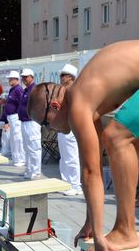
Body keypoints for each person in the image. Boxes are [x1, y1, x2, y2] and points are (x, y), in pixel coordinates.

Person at [27, 39, 139, 251]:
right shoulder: (86, 96)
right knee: (137, 142)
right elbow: (93, 167)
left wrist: (99, 237)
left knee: (117, 137)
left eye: (46, 123)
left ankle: (126, 230)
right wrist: (91, 223)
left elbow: (89, 173)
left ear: (55, 105)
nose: (50, 130)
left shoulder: (78, 104)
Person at [57, 64, 83, 195]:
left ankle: (75, 185)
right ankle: (66, 183)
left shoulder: (75, 91)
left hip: (70, 127)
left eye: (62, 75)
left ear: (69, 77)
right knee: (64, 157)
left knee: (71, 157)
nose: (60, 78)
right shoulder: (63, 90)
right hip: (62, 127)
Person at [18, 68, 42, 179]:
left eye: (26, 77)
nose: (24, 79)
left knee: (34, 147)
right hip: (24, 122)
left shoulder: (35, 89)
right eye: (22, 77)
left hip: (32, 122)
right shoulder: (26, 89)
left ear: (32, 77)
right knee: (27, 147)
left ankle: (36, 171)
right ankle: (29, 169)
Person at [5, 70, 25, 166]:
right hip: (10, 117)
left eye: (10, 79)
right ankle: (16, 158)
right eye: (9, 79)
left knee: (18, 138)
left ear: (16, 79)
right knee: (13, 139)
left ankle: (21, 159)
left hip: (15, 117)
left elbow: (21, 103)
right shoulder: (12, 89)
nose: (9, 80)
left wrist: (19, 116)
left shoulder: (18, 89)